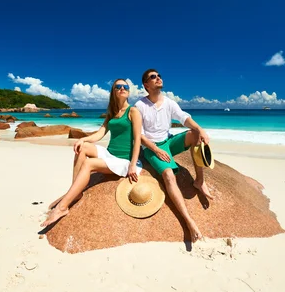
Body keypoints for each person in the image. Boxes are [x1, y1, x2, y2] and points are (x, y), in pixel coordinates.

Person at [41, 79, 142, 228]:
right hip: (110, 154)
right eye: (118, 87)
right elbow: (100, 133)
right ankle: (75, 191)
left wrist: (133, 164)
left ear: (129, 91)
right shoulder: (112, 113)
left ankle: (62, 207)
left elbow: (138, 139)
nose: (122, 88)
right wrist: (83, 139)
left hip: (123, 161)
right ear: (113, 92)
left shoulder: (133, 111)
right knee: (82, 147)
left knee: (88, 163)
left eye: (125, 86)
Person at [135, 69, 214, 242]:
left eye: (159, 75)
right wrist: (156, 150)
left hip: (168, 141)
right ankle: (188, 220)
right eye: (153, 77)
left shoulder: (168, 102)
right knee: (169, 175)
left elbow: (184, 117)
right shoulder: (139, 106)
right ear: (146, 85)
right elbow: (139, 136)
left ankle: (200, 181)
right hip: (151, 148)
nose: (158, 78)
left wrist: (199, 129)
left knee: (194, 135)